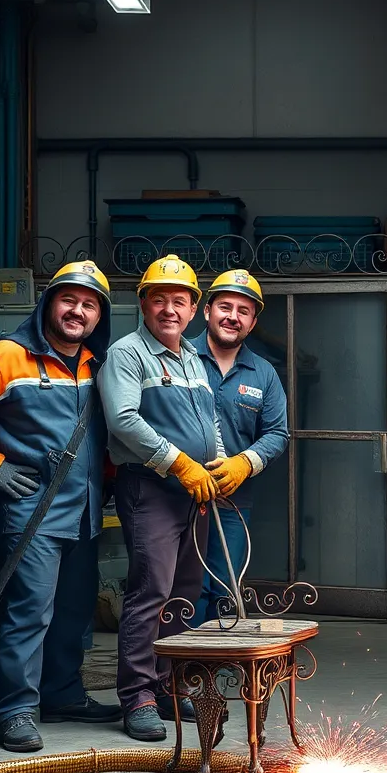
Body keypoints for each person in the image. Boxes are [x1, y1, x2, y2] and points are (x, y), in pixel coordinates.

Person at [0, 261, 119, 753]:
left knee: (73, 614)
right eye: (69, 300)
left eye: (90, 304)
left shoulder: (95, 367)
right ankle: (15, 710)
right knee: (29, 613)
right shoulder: (6, 358)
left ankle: (61, 694)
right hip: (33, 511)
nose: (78, 311)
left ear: (99, 316)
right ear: (49, 303)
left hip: (84, 512)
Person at [97, 254, 241, 741]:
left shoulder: (193, 360)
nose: (169, 309)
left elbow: (210, 423)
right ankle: (136, 694)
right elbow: (123, 421)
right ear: (143, 302)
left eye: (179, 300)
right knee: (150, 592)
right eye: (159, 299)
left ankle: (164, 683)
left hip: (195, 493)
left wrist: (218, 464)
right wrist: (179, 463)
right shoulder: (128, 354)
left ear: (193, 308)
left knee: (184, 593)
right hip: (152, 488)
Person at [190, 270, 289, 622]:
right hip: (176, 495)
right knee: (182, 589)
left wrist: (245, 463)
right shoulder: (179, 359)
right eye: (225, 307)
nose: (233, 316)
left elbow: (278, 433)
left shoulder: (263, 373)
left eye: (243, 311)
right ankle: (176, 674)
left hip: (233, 499)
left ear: (253, 321)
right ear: (207, 310)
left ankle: (217, 672)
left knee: (224, 588)